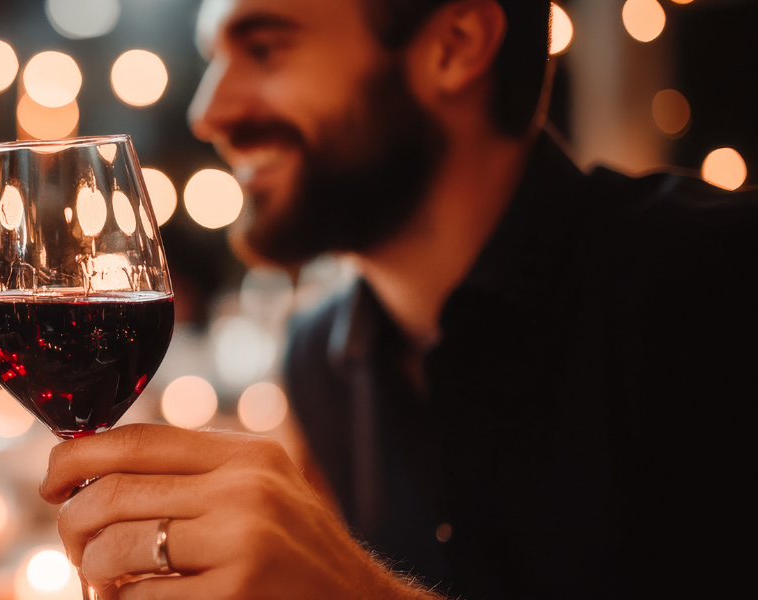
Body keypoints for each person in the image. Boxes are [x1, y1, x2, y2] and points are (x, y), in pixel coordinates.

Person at [41, 0, 757, 597]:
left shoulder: (717, 282)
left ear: (455, 44)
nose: (209, 111)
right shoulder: (320, 359)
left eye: (264, 49)